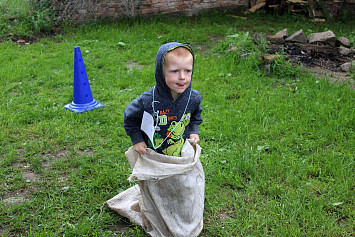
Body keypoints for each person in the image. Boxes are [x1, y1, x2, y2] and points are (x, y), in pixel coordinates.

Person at [124, 42, 202, 157]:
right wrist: (137, 140)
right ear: (161, 72)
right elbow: (130, 118)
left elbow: (195, 116)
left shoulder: (193, 98)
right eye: (175, 71)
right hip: (152, 155)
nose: (182, 77)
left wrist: (193, 131)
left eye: (187, 71)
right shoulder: (148, 100)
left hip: (180, 154)